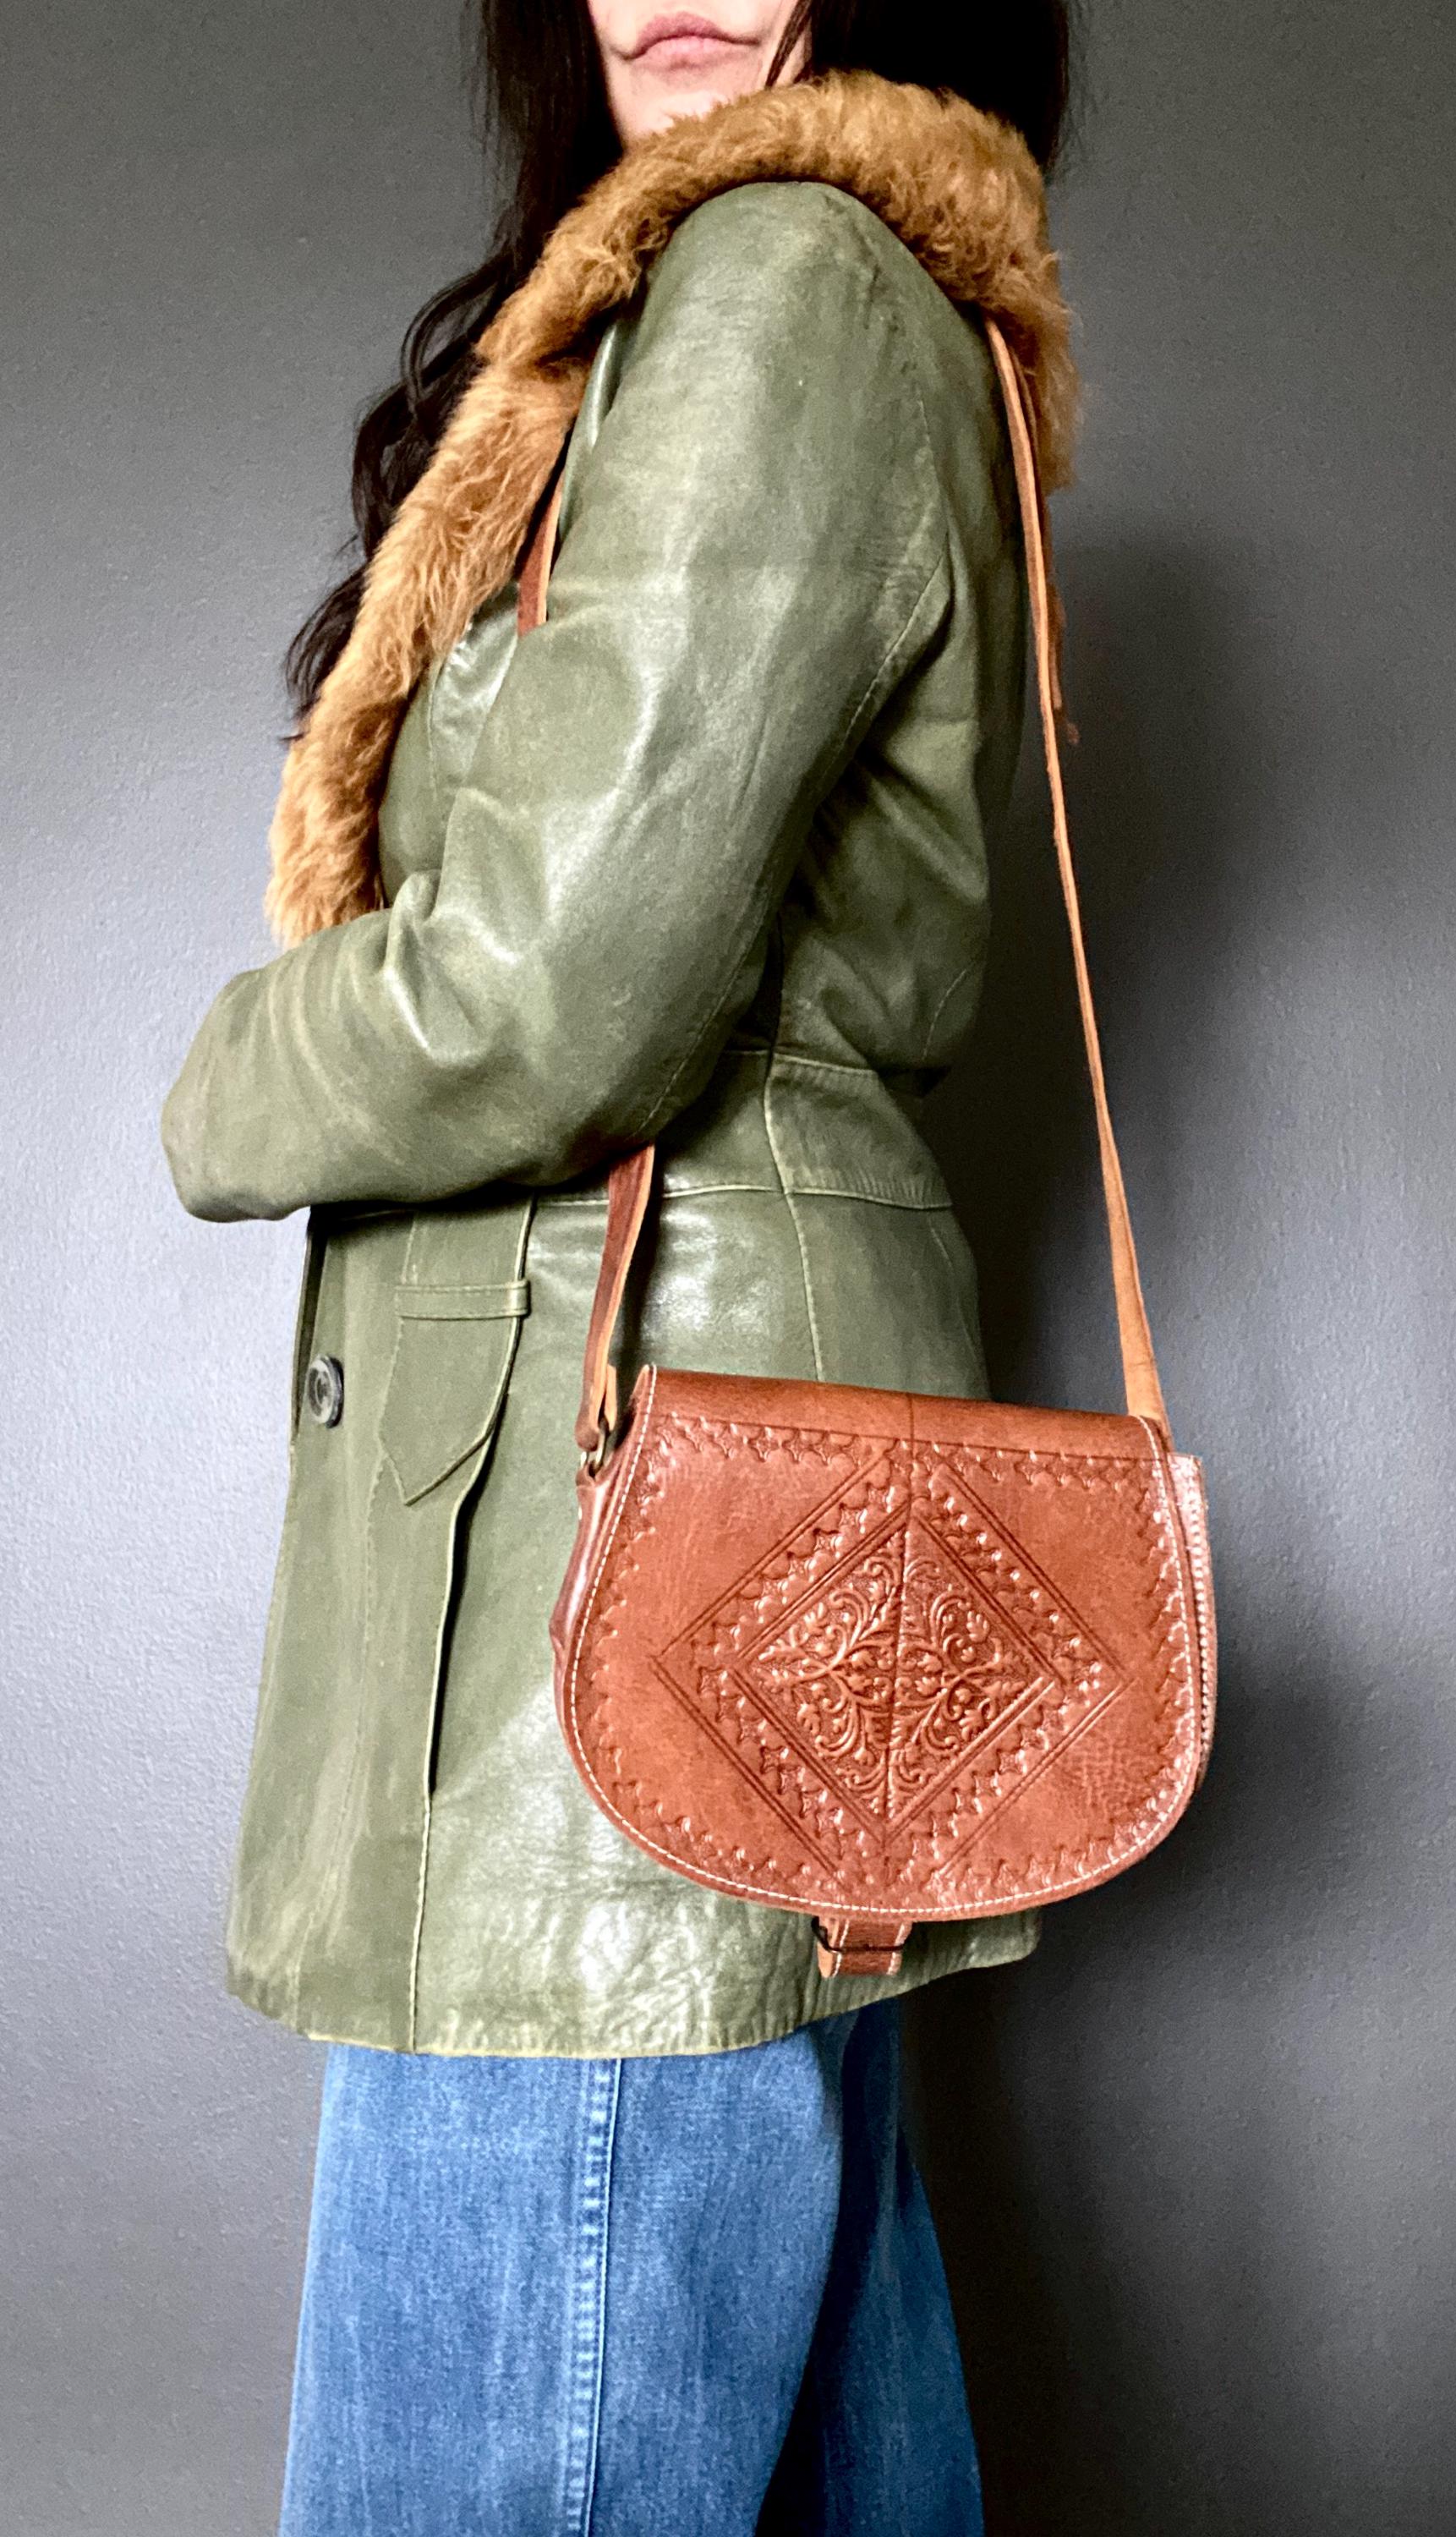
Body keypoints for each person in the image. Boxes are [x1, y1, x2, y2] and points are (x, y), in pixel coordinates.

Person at [159, 1, 1077, 2528]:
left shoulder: (782, 270)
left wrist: (224, 1078)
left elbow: (564, 982)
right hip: (742, 1566)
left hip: (620, 1587)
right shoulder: (815, 289)